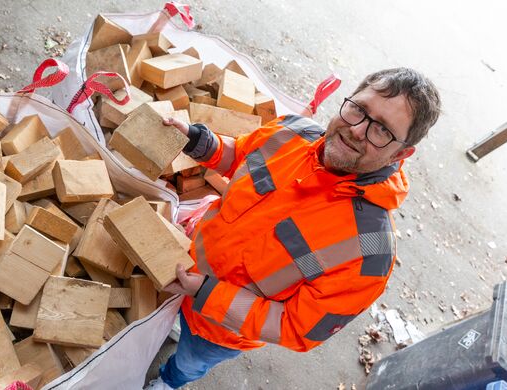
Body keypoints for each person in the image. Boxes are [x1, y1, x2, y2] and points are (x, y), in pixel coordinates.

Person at [145, 68, 441, 389]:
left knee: (189, 361)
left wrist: (204, 293)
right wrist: (198, 142)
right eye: (359, 109)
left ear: (402, 153)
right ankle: (177, 325)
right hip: (185, 264)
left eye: (382, 129)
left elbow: (295, 328)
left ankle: (168, 382)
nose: (357, 130)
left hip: (220, 331)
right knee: (169, 321)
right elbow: (240, 157)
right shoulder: (290, 132)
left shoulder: (369, 254)